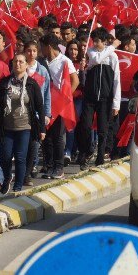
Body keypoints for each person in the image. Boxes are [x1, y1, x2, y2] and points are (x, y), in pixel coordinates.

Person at [0, 53, 45, 193]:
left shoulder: (32, 84)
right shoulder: (4, 83)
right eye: (15, 61)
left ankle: (17, 186)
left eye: (21, 62)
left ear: (26, 65)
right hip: (7, 127)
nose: (18, 64)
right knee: (5, 156)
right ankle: (8, 177)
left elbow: (40, 106)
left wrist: (42, 129)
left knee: (21, 157)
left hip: (25, 126)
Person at [79, 27, 121, 168]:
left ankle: (100, 159)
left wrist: (116, 103)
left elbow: (116, 80)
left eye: (98, 41)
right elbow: (97, 59)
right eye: (94, 41)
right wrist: (112, 47)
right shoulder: (91, 52)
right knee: (85, 126)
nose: (95, 44)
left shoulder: (113, 57)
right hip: (90, 97)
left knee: (103, 129)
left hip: (105, 98)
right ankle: (86, 152)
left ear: (104, 41)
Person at [40, 34, 79, 179]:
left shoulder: (64, 61)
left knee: (57, 137)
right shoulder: (43, 62)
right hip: (47, 104)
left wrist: (66, 98)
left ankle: (59, 167)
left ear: (48, 47)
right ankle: (49, 166)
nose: (41, 50)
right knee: (47, 137)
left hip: (60, 105)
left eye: (42, 47)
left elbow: (75, 80)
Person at [22, 40, 50, 186]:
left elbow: (47, 94)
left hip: (37, 116)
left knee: (34, 145)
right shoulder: (20, 68)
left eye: (34, 51)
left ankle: (26, 175)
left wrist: (47, 113)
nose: (31, 53)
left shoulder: (43, 70)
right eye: (28, 50)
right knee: (22, 146)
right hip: (21, 114)